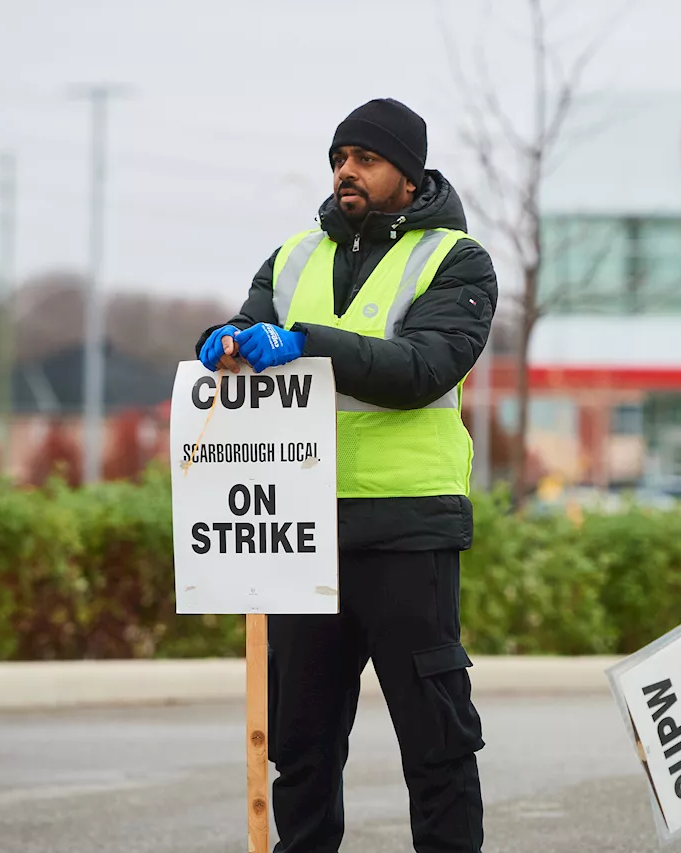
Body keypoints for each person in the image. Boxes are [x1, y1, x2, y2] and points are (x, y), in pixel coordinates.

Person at [195, 97, 496, 853]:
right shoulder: (293, 256)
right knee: (300, 749)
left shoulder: (456, 260)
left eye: (365, 159)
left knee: (436, 748)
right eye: (338, 158)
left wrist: (298, 341)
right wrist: (220, 342)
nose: (346, 173)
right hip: (302, 536)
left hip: (406, 531)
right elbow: (244, 323)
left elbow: (423, 369)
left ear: (408, 173)